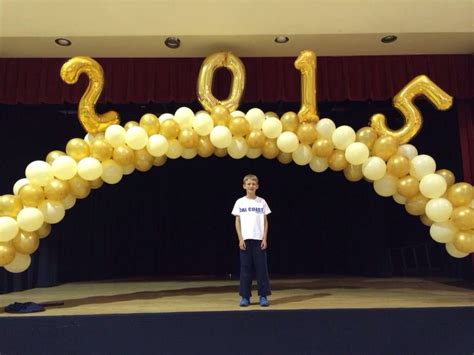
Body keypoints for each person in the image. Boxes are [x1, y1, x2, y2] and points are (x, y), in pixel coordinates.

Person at [231, 174, 271, 307]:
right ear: (244, 186)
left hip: (259, 240)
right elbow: (237, 221)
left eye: (253, 184)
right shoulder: (239, 202)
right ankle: (245, 297)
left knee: (262, 269)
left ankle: (263, 296)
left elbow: (265, 222)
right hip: (245, 240)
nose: (251, 186)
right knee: (245, 269)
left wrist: (264, 238)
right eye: (248, 184)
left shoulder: (262, 202)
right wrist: (240, 238)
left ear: (257, 186)